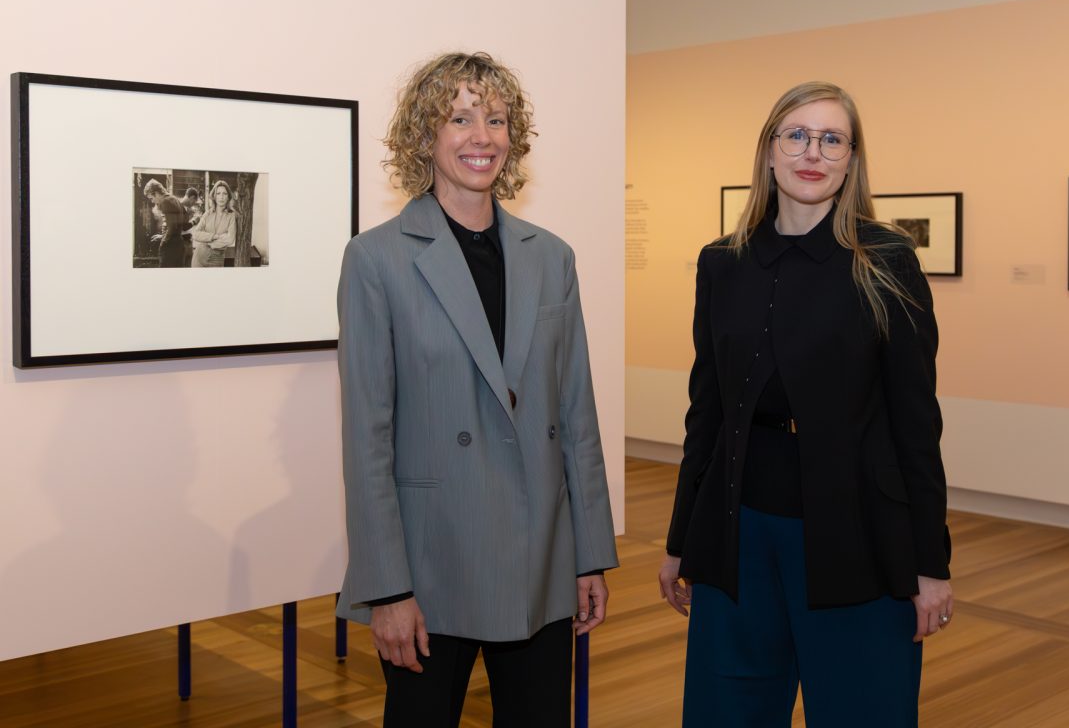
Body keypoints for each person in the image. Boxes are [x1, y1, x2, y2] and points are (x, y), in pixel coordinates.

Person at [335, 51, 618, 728]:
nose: (481, 136)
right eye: (459, 118)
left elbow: (577, 415)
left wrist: (589, 555)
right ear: (424, 137)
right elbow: (367, 438)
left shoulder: (551, 257)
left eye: (495, 118)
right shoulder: (377, 259)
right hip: (433, 568)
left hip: (541, 557)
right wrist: (388, 589)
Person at [658, 81, 952, 727]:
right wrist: (684, 538)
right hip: (740, 531)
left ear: (851, 158)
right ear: (768, 151)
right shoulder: (723, 263)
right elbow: (706, 411)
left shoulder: (885, 262)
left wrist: (931, 564)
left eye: (831, 138)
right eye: (795, 135)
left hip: (859, 536)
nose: (811, 152)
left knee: (861, 709)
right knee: (728, 709)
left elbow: (915, 424)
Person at [190, 181, 237, 267]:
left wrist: (209, 243)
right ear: (214, 196)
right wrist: (214, 236)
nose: (221, 197)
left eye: (224, 194)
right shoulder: (208, 214)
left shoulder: (232, 215)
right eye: (218, 193)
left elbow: (230, 239)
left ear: (228, 197)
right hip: (199, 256)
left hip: (217, 258)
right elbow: (196, 234)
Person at [144, 179, 187, 268]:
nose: (152, 201)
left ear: (156, 193)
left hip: (170, 248)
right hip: (179, 246)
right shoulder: (175, 199)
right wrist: (162, 236)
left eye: (151, 198)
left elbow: (172, 227)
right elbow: (184, 221)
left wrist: (162, 243)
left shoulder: (165, 202)